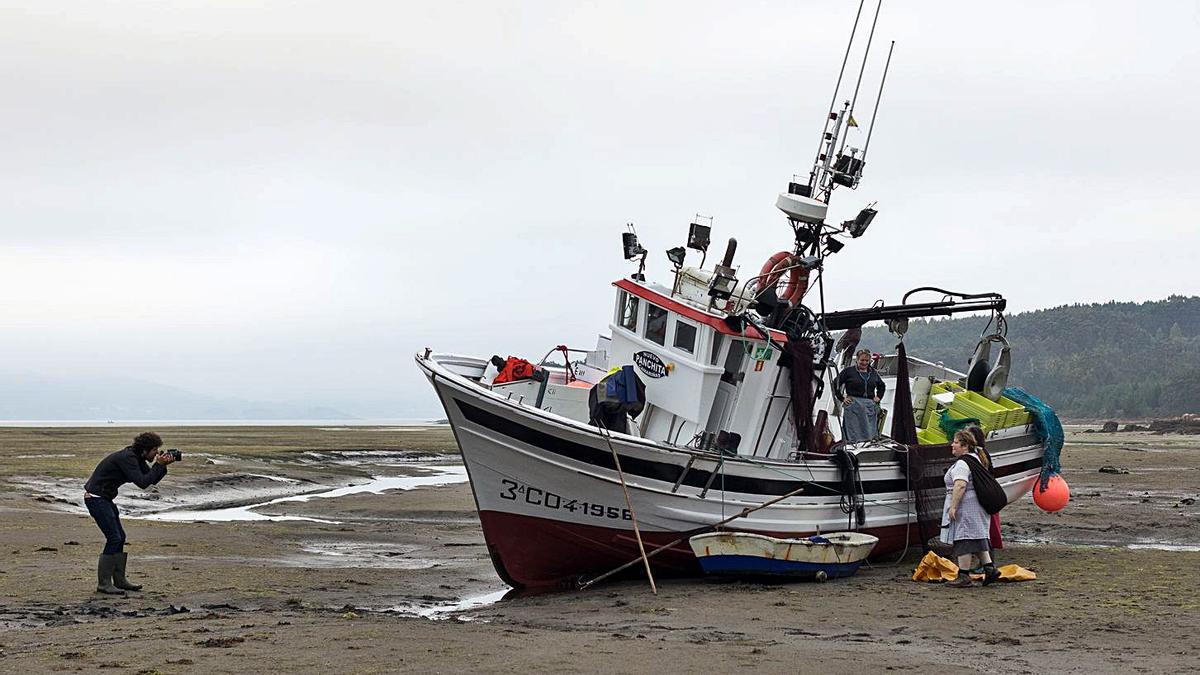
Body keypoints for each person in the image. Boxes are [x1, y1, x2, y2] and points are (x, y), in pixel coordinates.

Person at [83, 432, 176, 595]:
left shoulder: (136, 457)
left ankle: (119, 581)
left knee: (121, 537)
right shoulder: (127, 458)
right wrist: (159, 465)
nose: (156, 454)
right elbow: (142, 482)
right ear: (146, 449)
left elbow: (150, 479)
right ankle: (104, 584)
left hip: (104, 499)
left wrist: (162, 466)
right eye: (155, 450)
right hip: (96, 498)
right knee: (114, 538)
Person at [941, 430, 1001, 587]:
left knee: (964, 538)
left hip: (967, 505)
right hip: (978, 504)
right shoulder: (977, 458)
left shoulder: (962, 463)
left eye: (955, 442)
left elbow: (960, 485)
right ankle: (990, 569)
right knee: (978, 536)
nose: (952, 445)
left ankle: (964, 576)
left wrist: (953, 507)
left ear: (964, 445)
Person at [836, 349, 886, 443]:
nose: (864, 362)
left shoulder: (873, 373)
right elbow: (836, 383)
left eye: (867, 360)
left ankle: (867, 444)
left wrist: (879, 397)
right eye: (862, 360)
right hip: (853, 404)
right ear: (857, 360)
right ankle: (851, 444)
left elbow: (882, 386)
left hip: (869, 406)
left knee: (869, 430)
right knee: (852, 430)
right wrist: (842, 398)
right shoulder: (848, 371)